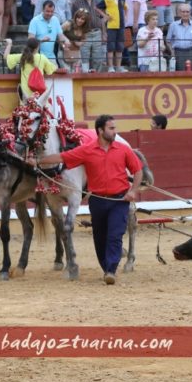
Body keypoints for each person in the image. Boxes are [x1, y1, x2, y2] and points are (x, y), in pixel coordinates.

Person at [26, 115, 143, 285]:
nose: (114, 132)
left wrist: (133, 191)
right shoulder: (87, 150)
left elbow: (137, 170)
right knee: (100, 237)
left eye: (114, 128)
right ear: (100, 131)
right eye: (111, 128)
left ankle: (111, 269)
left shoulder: (123, 149)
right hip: (98, 201)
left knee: (115, 236)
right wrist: (37, 161)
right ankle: (106, 267)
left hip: (119, 200)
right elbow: (62, 158)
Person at [72, 0, 105, 72]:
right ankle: (85, 78)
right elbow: (74, 20)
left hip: (97, 33)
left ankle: (96, 78)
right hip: (84, 34)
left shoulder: (98, 2)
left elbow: (102, 19)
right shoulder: (76, 3)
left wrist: (104, 33)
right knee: (84, 58)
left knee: (98, 58)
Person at [97, 0, 126, 73]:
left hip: (121, 26)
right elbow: (97, 7)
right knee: (111, 47)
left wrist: (126, 17)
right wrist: (105, 15)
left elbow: (126, 8)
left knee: (120, 47)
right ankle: (110, 67)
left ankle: (118, 66)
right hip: (111, 26)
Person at [166, 4, 192, 71]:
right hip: (178, 52)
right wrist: (172, 53)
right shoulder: (173, 25)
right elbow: (168, 41)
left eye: (187, 12)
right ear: (179, 12)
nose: (185, 14)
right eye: (183, 12)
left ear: (190, 12)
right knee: (180, 75)